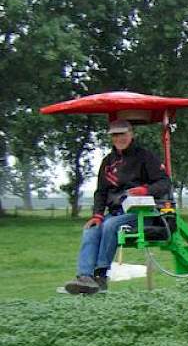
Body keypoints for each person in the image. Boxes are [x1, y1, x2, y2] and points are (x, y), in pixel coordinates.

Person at [63, 119, 171, 294]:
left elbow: (164, 183)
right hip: (114, 212)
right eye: (115, 135)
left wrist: (145, 190)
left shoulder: (145, 157)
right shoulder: (107, 162)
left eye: (122, 134)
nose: (119, 138)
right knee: (92, 229)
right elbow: (101, 192)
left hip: (142, 213)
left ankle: (100, 275)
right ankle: (84, 277)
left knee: (110, 225)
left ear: (131, 134)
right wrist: (97, 214)